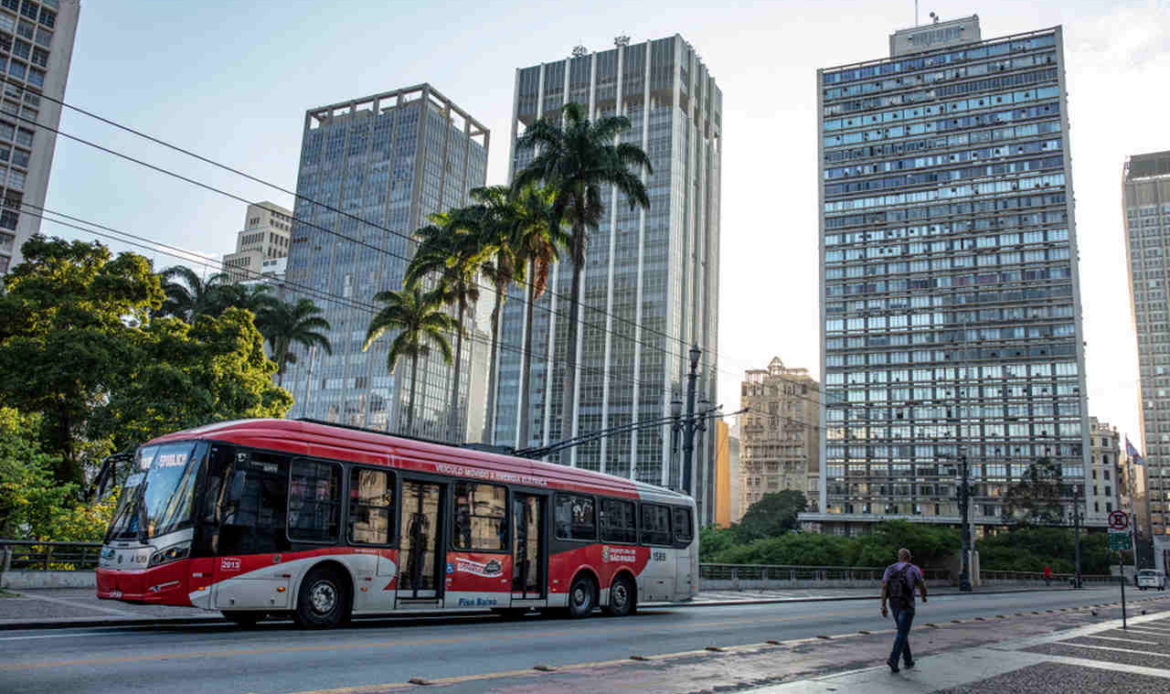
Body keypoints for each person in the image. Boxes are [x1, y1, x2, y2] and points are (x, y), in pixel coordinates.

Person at [880, 547, 927, 673]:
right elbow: (922, 585)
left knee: (902, 631)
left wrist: (883, 605)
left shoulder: (890, 569)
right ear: (909, 557)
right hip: (907, 604)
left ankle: (908, 660)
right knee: (902, 632)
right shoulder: (913, 569)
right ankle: (893, 659)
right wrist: (923, 597)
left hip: (893, 603)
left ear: (899, 557)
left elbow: (884, 587)